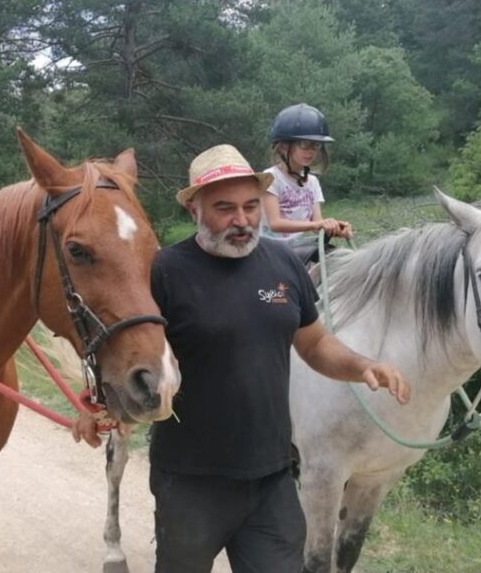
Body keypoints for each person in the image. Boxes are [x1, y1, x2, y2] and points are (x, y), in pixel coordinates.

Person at [73, 144, 410, 573]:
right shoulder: (164, 273)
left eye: (251, 206)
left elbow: (315, 345)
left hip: (272, 478)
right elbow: (124, 346)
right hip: (190, 481)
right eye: (225, 208)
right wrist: (98, 404)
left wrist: (363, 366)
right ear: (194, 209)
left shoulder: (284, 266)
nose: (242, 219)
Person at [261, 103, 352, 259]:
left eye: (316, 145)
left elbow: (316, 222)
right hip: (270, 251)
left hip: (299, 249)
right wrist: (316, 225)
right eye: (304, 144)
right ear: (284, 147)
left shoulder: (312, 182)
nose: (311, 151)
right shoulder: (270, 178)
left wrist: (334, 226)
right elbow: (274, 223)